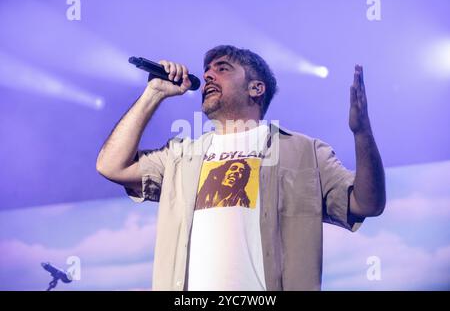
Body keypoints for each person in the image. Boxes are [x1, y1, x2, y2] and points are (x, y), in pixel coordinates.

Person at [96, 45, 386, 291]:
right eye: (207, 69)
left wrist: (363, 133)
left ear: (256, 88)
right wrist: (154, 93)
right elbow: (112, 166)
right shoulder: (180, 155)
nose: (207, 74)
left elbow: (366, 203)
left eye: (222, 68)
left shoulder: (304, 152)